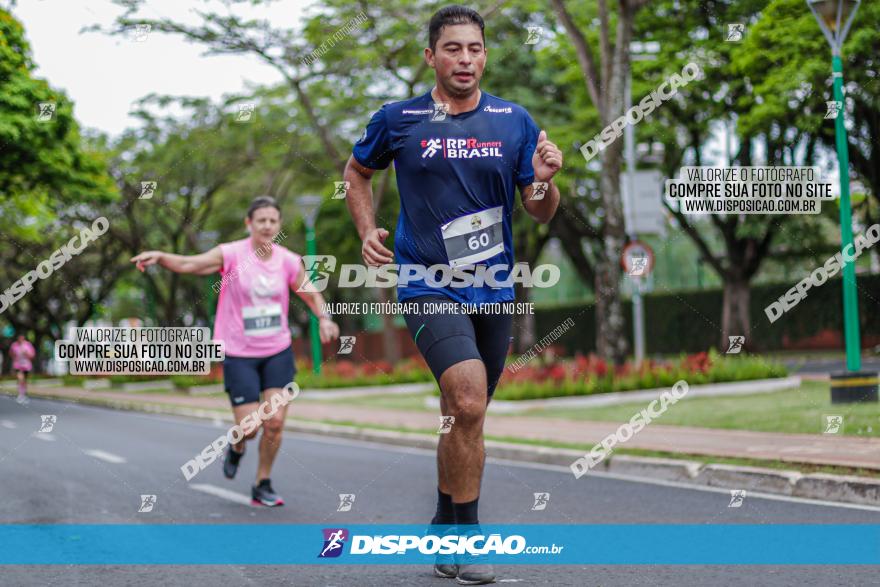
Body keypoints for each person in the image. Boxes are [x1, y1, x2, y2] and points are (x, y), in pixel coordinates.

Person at [343, 5, 563, 584]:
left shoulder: (514, 122)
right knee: (467, 402)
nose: (465, 59)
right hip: (425, 281)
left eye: (474, 49)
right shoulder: (400, 119)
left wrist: (544, 180)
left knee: (463, 415)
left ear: (484, 55)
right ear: (431, 56)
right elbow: (356, 170)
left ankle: (443, 520)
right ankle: (469, 540)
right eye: (452, 49)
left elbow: (540, 211)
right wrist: (367, 230)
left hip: (493, 285)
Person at [131, 195, 340, 506]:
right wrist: (161, 256)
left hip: (277, 350)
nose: (268, 226)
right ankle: (238, 447)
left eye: (273, 220)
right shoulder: (231, 254)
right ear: (249, 224)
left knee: (275, 423)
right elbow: (191, 264)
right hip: (239, 353)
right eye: (261, 220)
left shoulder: (287, 260)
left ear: (279, 224)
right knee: (250, 427)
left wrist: (324, 318)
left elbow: (311, 294)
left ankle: (262, 482)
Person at [10, 335, 36, 404]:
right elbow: (11, 353)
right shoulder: (14, 345)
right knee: (20, 379)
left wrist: (26, 353)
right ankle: (20, 394)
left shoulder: (28, 345)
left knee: (24, 380)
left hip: (26, 365)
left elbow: (32, 355)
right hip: (18, 365)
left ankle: (24, 393)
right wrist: (15, 358)